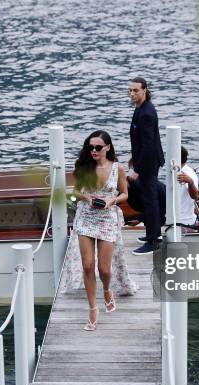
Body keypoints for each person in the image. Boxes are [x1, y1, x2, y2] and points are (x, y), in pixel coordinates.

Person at [61, 130, 137, 331]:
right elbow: (75, 192)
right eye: (90, 147)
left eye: (97, 147)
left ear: (107, 148)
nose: (93, 151)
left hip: (107, 219)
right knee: (87, 265)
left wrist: (112, 200)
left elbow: (124, 194)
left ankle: (106, 290)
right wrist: (87, 198)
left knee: (104, 269)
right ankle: (93, 308)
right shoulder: (84, 166)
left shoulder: (118, 169)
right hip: (85, 218)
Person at [128, 77, 165, 255]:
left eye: (136, 90)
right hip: (143, 160)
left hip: (149, 164)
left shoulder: (147, 113)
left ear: (144, 90)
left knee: (150, 201)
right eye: (130, 90)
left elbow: (149, 145)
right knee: (147, 198)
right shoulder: (140, 109)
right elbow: (140, 140)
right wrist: (133, 158)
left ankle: (153, 240)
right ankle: (151, 232)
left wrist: (137, 169)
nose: (132, 93)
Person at [177, 146, 199, 226]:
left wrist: (190, 182)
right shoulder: (176, 170)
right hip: (173, 217)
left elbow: (195, 196)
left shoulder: (188, 174)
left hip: (183, 221)